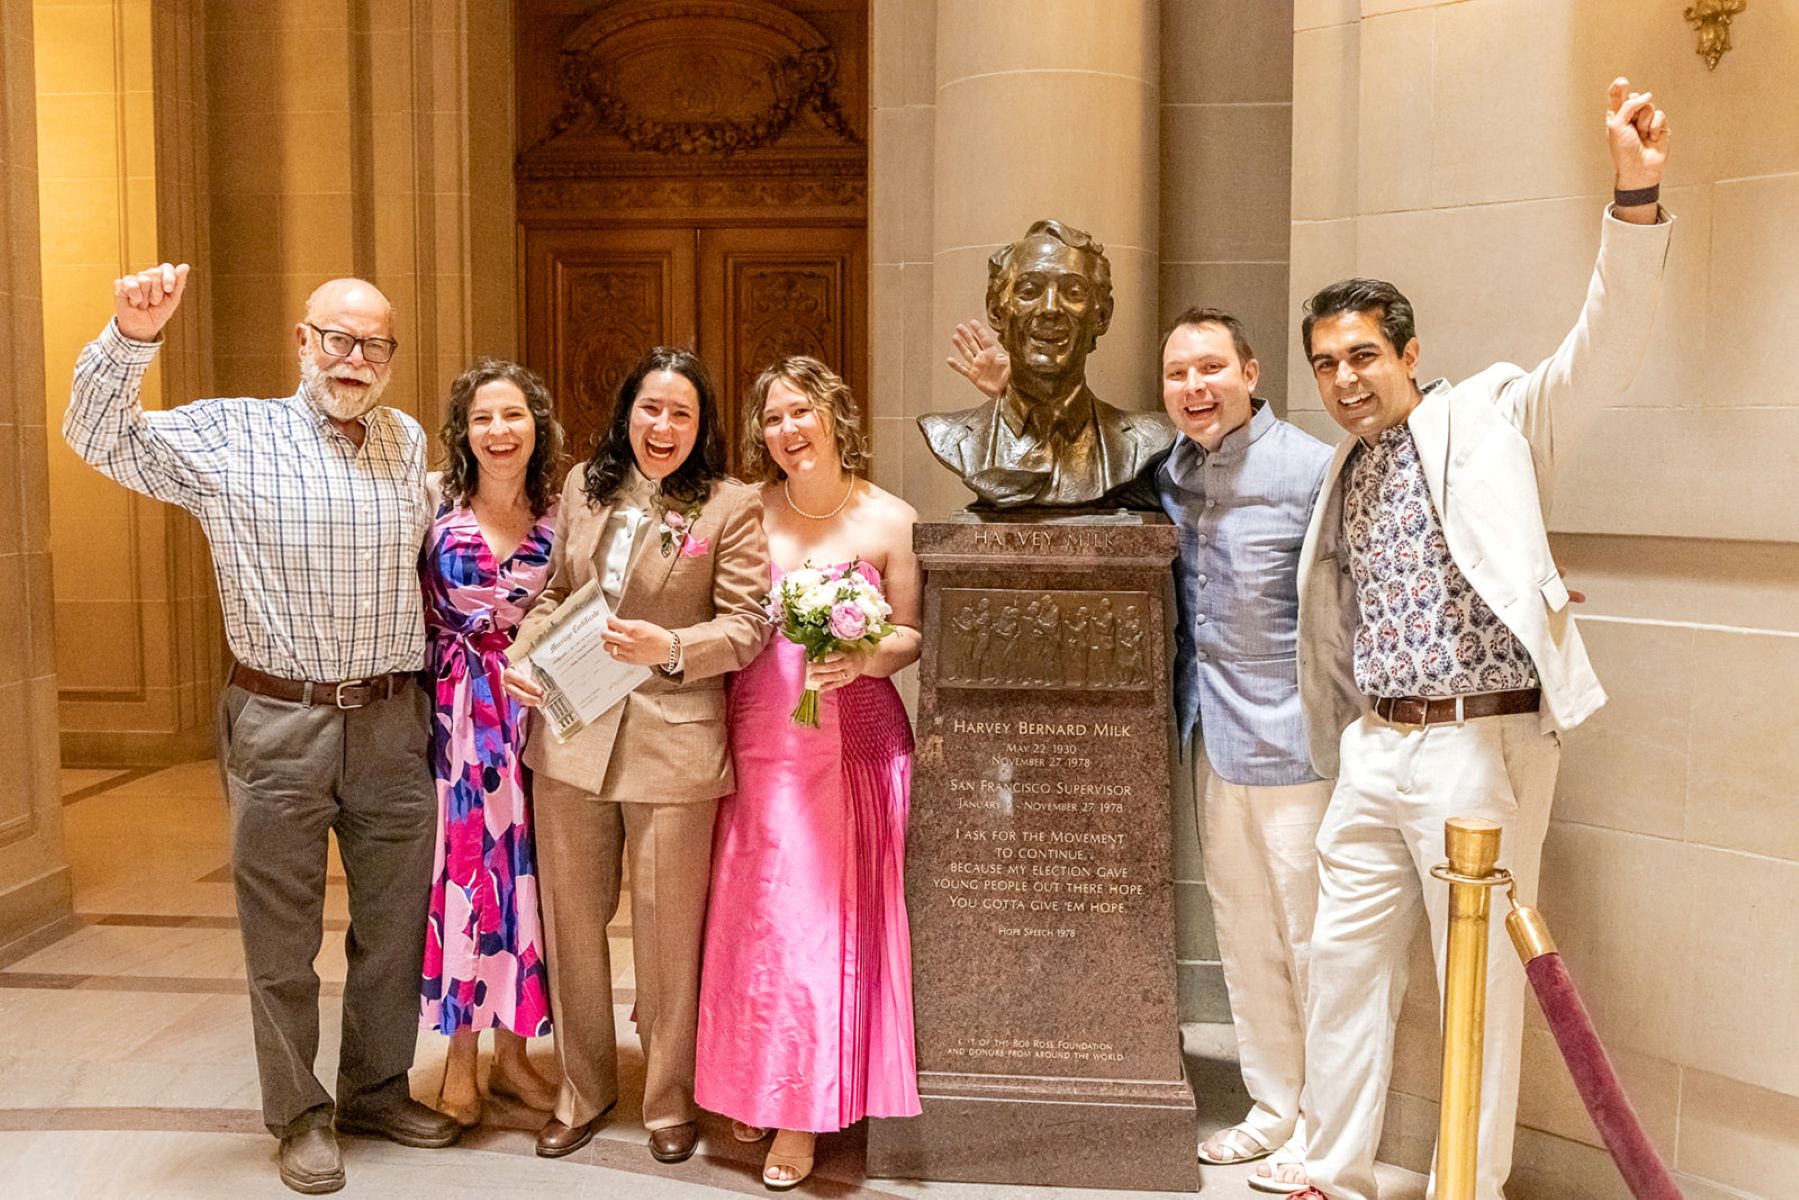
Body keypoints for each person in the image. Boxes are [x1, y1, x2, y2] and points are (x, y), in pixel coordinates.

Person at [1285, 80, 1673, 1200]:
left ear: (1407, 351)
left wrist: (1633, 197)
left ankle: (1469, 1181)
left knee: (1480, 979)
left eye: (1360, 355)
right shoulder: (1344, 471)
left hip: (1477, 748)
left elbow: (1602, 347)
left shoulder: (1492, 415)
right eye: (1324, 364)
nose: (1343, 380)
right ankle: (1328, 1164)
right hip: (1374, 746)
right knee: (1340, 966)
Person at [64, 264, 459, 1194]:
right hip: (280, 719)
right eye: (338, 338)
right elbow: (94, 434)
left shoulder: (405, 444)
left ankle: (375, 1087)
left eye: (374, 345)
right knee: (281, 939)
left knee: (395, 926)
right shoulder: (229, 433)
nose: (354, 359)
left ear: (391, 358)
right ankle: (299, 1115)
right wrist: (130, 336)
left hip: (394, 721)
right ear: (302, 339)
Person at [955, 306, 1336, 1190]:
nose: (1193, 388)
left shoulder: (1314, 469)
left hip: (1299, 746)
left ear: (1250, 371)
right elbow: (1073, 480)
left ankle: (1330, 1127)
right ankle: (1274, 1108)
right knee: (1244, 934)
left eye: (1210, 369)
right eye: (1176, 375)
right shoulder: (1166, 468)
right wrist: (1008, 395)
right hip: (1209, 735)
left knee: (1313, 942)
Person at [501, 347, 770, 1165]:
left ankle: (667, 1098)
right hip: (573, 732)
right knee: (573, 926)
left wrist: (673, 645)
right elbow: (552, 593)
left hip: (672, 743)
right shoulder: (585, 486)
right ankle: (582, 1089)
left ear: (702, 426)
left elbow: (749, 624)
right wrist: (525, 650)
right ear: (626, 413)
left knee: (667, 934)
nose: (663, 426)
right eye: (650, 408)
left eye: (681, 413)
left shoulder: (730, 505)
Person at [695, 356, 923, 1189]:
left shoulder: (890, 518)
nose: (787, 432)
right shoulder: (746, 512)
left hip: (852, 740)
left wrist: (866, 652)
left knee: (820, 923)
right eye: (772, 419)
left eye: (800, 413)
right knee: (755, 918)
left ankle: (802, 1109)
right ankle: (753, 1074)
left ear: (833, 414)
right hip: (760, 738)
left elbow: (910, 634)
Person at [418, 359, 565, 1127]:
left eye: (512, 416)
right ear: (463, 431)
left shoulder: (562, 515)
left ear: (535, 425)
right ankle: (460, 1056)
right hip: (453, 721)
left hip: (536, 716)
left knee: (527, 884)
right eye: (482, 419)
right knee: (465, 880)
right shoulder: (432, 504)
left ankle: (516, 1054)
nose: (498, 432)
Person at [920, 219, 1173, 507]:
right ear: (996, 311)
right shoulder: (950, 436)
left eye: (1073, 292)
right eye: (1029, 290)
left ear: (1101, 316)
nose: (1050, 308)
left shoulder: (1150, 439)